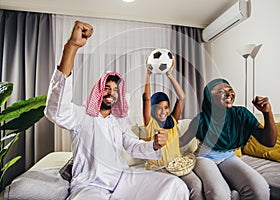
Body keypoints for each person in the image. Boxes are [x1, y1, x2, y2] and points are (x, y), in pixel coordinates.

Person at [44, 20, 190, 200]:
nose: (111, 92)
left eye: (115, 89)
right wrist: (72, 46)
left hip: (123, 180)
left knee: (175, 185)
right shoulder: (82, 116)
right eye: (106, 87)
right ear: (98, 91)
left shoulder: (118, 121)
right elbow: (56, 110)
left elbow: (133, 146)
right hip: (91, 184)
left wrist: (154, 145)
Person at [180, 78, 278, 200]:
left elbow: (269, 142)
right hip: (204, 157)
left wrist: (267, 113)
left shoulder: (241, 114)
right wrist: (163, 141)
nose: (228, 93)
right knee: (219, 194)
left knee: (260, 190)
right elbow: (182, 141)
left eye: (230, 90)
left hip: (228, 156)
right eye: (221, 91)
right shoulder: (200, 120)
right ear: (210, 97)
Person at [142, 58, 204, 199]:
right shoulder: (150, 123)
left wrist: (169, 75)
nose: (163, 111)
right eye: (158, 108)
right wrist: (147, 75)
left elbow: (181, 98)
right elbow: (146, 98)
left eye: (166, 107)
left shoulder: (173, 120)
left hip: (177, 164)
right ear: (152, 109)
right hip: (158, 168)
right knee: (176, 186)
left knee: (196, 184)